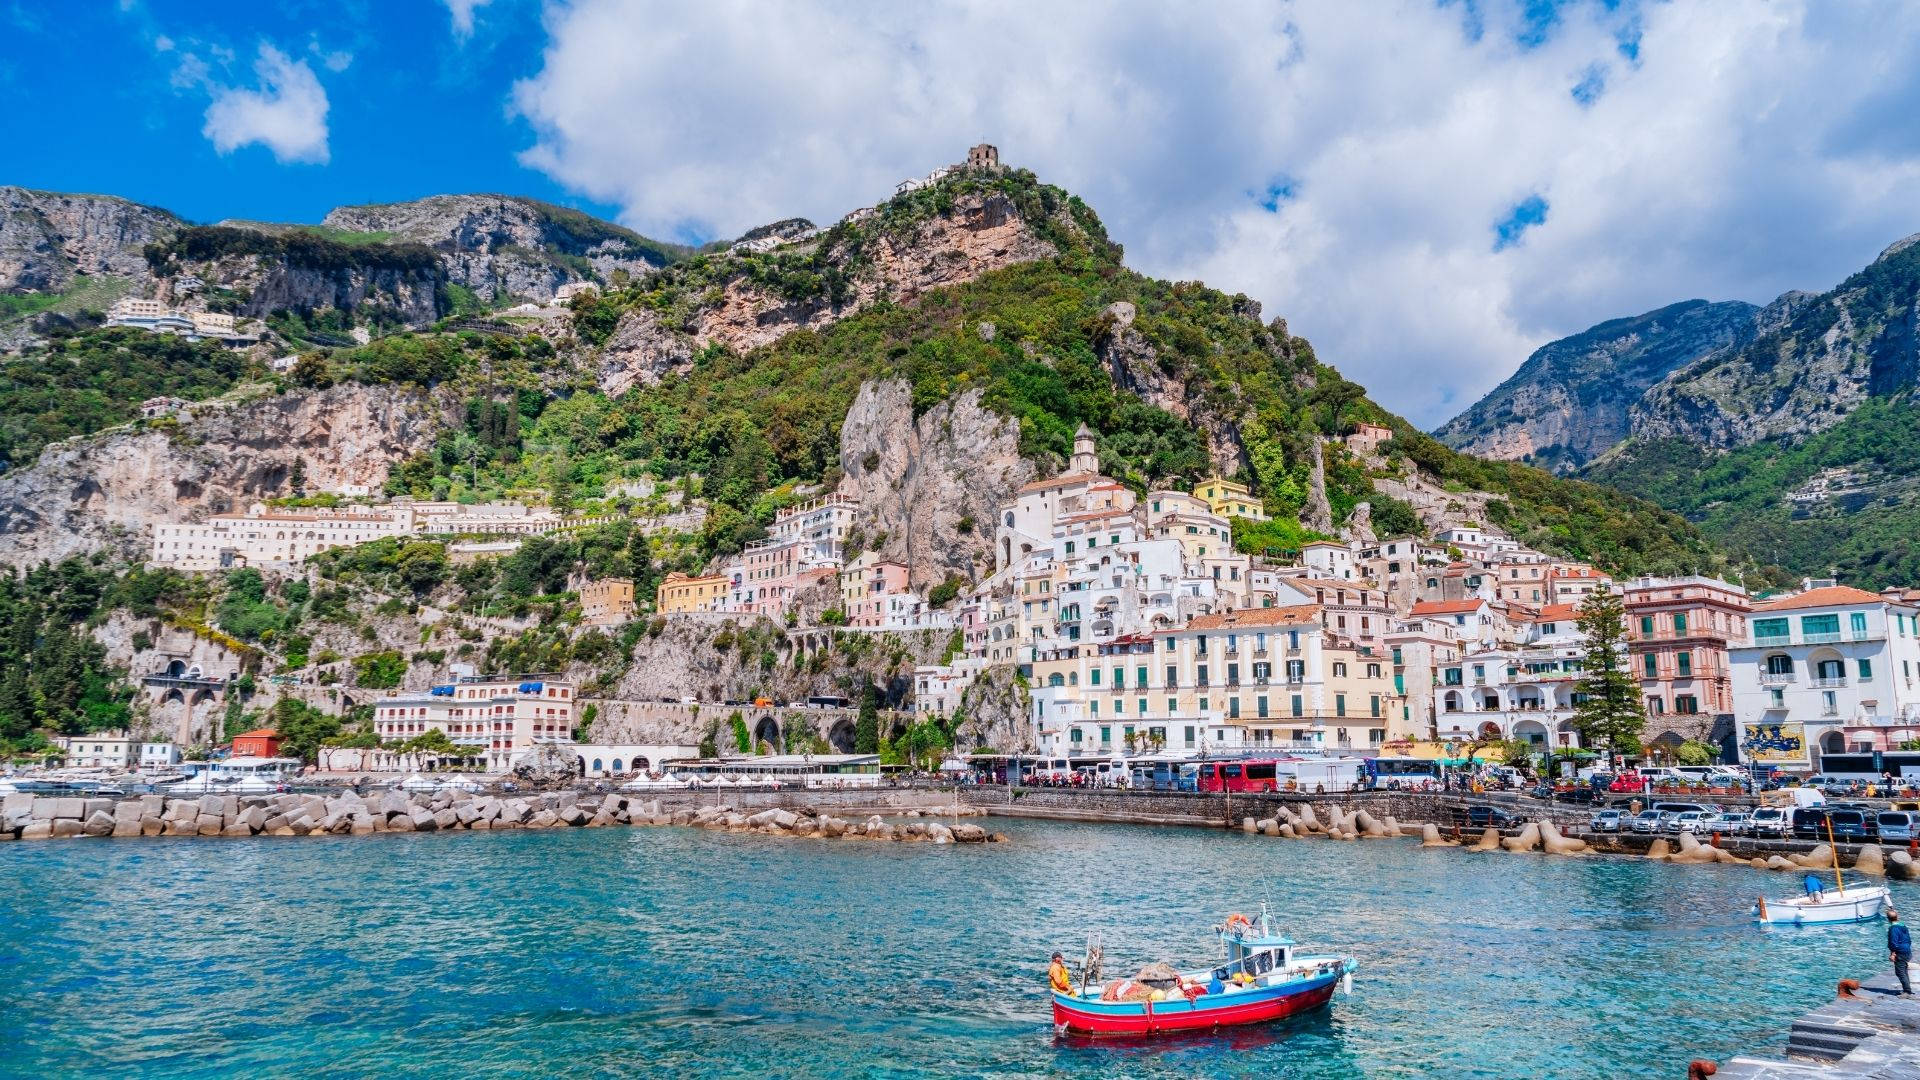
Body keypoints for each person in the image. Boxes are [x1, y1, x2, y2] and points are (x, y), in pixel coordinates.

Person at [1890, 911, 1913, 995]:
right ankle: (1907, 988)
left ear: (1888, 919)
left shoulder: (1893, 929)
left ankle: (1907, 991)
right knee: (1904, 971)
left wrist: (1893, 954)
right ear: (1897, 917)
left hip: (1900, 953)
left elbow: (1893, 942)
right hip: (1907, 951)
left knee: (1900, 972)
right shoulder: (1903, 926)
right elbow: (1909, 940)